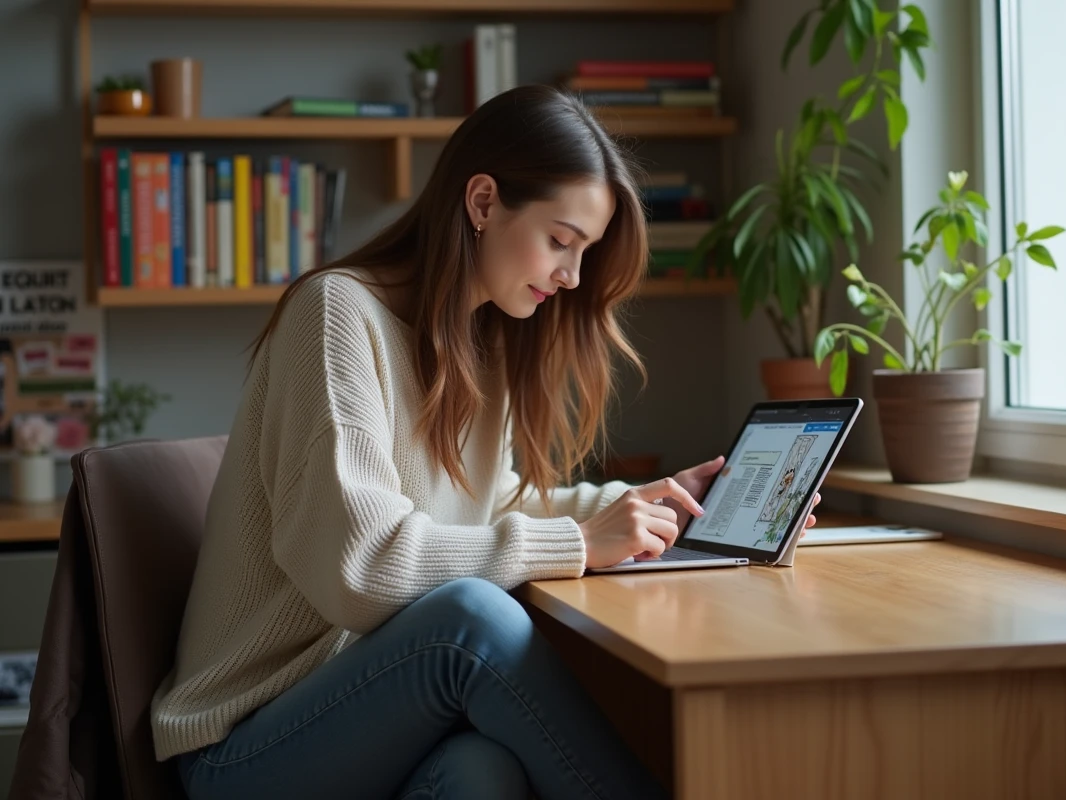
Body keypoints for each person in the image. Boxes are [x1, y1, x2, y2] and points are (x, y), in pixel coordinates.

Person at [150, 84, 821, 800]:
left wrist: (648, 507)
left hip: (364, 711)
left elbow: (492, 502)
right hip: (246, 745)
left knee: (484, 776)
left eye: (584, 252)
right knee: (469, 622)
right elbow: (361, 564)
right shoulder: (336, 315)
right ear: (481, 203)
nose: (571, 275)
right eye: (560, 240)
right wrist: (578, 543)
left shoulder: (479, 340)